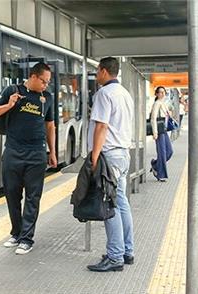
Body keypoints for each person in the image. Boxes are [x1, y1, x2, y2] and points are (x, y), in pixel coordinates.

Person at [0, 62, 57, 255]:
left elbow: (50, 126)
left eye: (48, 82)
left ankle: (27, 238)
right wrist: (9, 105)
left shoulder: (47, 98)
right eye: (44, 81)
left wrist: (53, 152)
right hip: (13, 151)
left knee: (33, 197)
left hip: (36, 153)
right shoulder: (12, 91)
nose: (46, 85)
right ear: (33, 77)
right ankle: (16, 233)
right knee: (12, 194)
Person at [86, 57, 135, 272]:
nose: (97, 75)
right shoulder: (125, 93)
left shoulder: (104, 94)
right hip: (123, 154)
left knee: (110, 205)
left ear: (105, 71)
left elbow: (101, 127)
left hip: (110, 156)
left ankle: (115, 257)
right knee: (122, 203)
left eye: (97, 71)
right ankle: (127, 251)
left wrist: (94, 157)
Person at [149, 86, 173, 182]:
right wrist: (155, 132)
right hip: (159, 132)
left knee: (169, 151)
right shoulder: (157, 103)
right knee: (162, 153)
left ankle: (155, 165)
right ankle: (161, 175)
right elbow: (153, 118)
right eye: (160, 92)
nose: (162, 94)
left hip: (164, 131)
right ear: (157, 94)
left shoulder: (163, 104)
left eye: (164, 92)